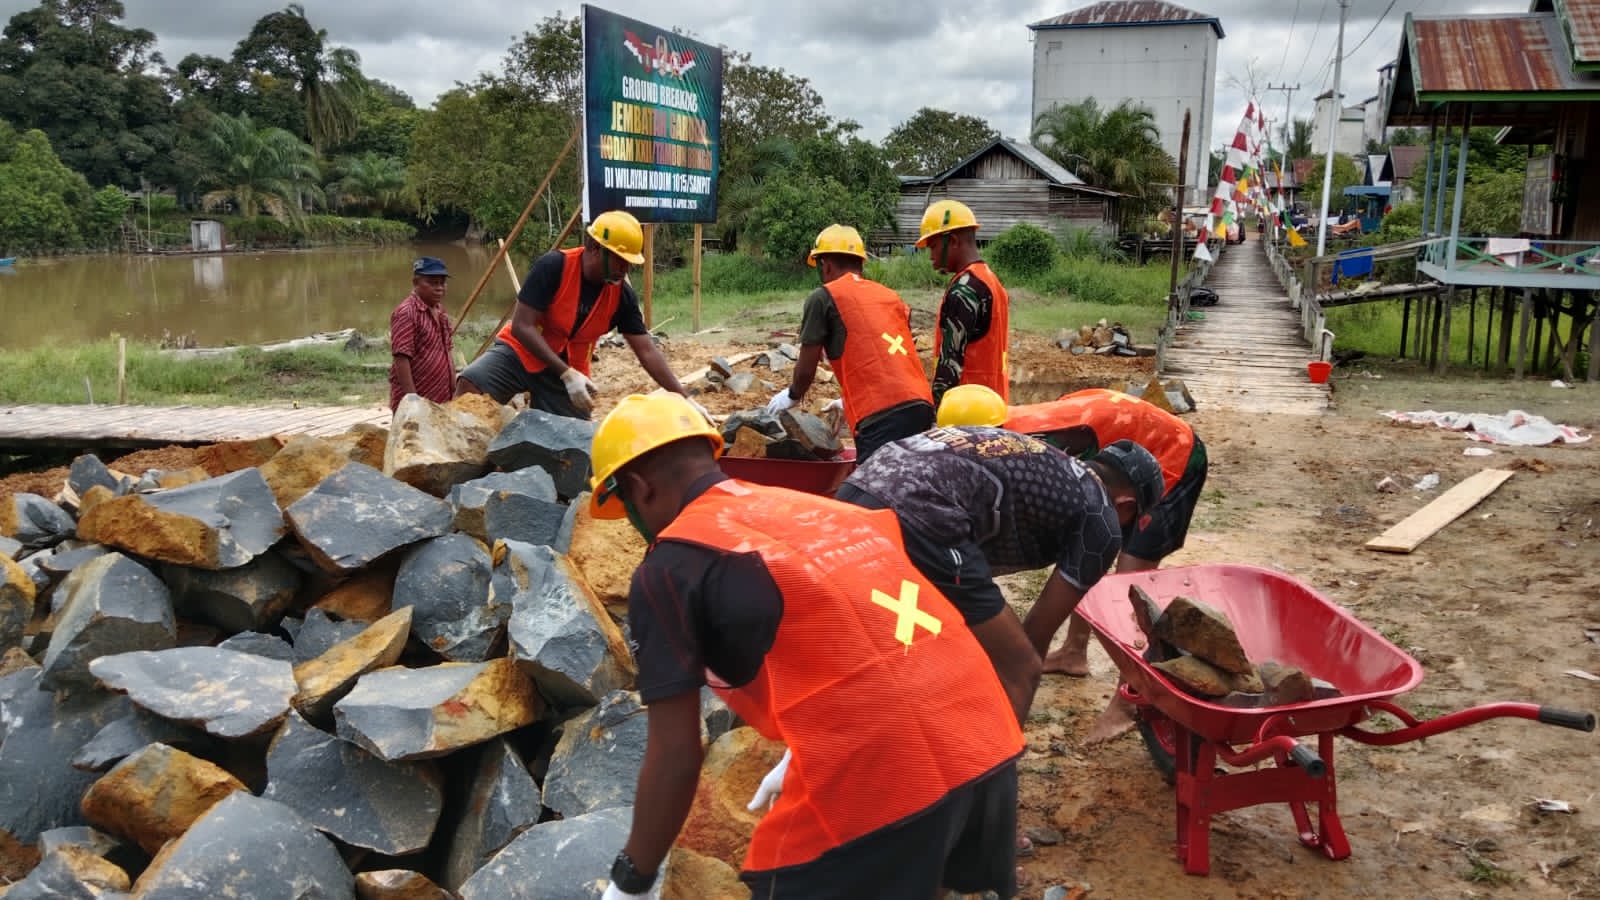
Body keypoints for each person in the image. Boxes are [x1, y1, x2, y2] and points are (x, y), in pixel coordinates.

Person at [592, 393, 1024, 900]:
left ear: (640, 488)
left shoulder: (671, 567)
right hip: (987, 739)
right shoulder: (823, 511)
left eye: (625, 507)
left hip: (886, 780)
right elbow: (864, 636)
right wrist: (802, 754)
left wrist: (631, 880)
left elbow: (676, 753)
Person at [941, 384, 1210, 742]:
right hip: (1120, 439)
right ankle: (1073, 653)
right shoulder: (1001, 433)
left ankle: (1129, 699)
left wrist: (1015, 668)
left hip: (1173, 453)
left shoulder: (1037, 449)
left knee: (1127, 584)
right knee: (1083, 545)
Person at [835, 425, 1165, 714]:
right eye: (1131, 523)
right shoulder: (1102, 519)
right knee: (1020, 666)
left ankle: (845, 738)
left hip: (861, 485)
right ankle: (987, 776)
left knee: (902, 642)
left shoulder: (1056, 466)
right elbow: (1036, 632)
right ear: (1126, 505)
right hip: (922, 510)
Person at [455, 210, 694, 418]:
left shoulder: (622, 297)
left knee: (573, 446)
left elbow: (646, 350)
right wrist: (565, 373)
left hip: (572, 371)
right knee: (471, 382)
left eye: (628, 262)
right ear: (594, 247)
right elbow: (522, 326)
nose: (625, 268)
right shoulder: (554, 267)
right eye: (620, 260)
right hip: (521, 354)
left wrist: (684, 397)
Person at [765, 224, 934, 462]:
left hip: (880, 417)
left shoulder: (823, 297)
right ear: (861, 263)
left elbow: (806, 369)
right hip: (921, 406)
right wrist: (848, 400)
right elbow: (891, 356)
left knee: (875, 493)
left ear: (826, 264)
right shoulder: (889, 296)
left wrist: (792, 395)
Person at [916, 200, 1011, 406]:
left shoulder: (964, 290)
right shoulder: (990, 280)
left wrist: (936, 415)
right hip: (992, 405)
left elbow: (950, 364)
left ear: (953, 241)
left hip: (965, 410)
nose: (931, 256)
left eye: (933, 246)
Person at [388, 256, 455, 410]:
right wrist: (412, 399)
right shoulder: (406, 312)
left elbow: (447, 350)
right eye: (432, 283)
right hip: (417, 397)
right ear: (416, 283)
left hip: (441, 397)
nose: (439, 288)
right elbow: (401, 357)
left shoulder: (440, 311)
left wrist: (453, 386)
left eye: (442, 283)